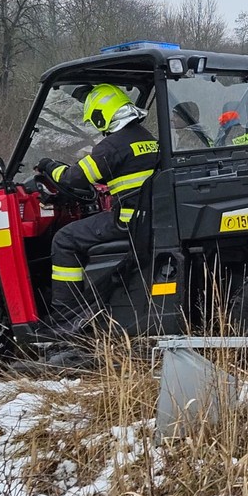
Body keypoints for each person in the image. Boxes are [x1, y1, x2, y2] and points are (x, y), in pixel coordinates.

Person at [35, 83, 159, 338]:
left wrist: (49, 166)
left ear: (103, 115)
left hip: (126, 223)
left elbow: (72, 179)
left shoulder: (112, 146)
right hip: (149, 220)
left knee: (65, 239)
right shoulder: (148, 139)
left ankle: (65, 316)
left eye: (95, 120)